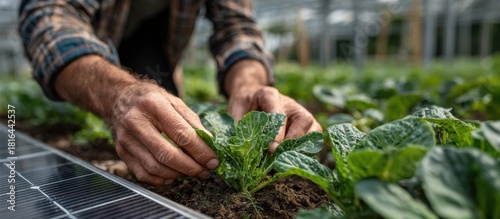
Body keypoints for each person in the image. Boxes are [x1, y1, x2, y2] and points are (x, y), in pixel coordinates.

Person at [18, 0, 322, 186]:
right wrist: (116, 95)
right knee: (136, 113)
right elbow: (49, 16)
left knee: (165, 125)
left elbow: (237, 28)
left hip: (155, 41)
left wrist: (248, 85)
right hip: (93, 35)